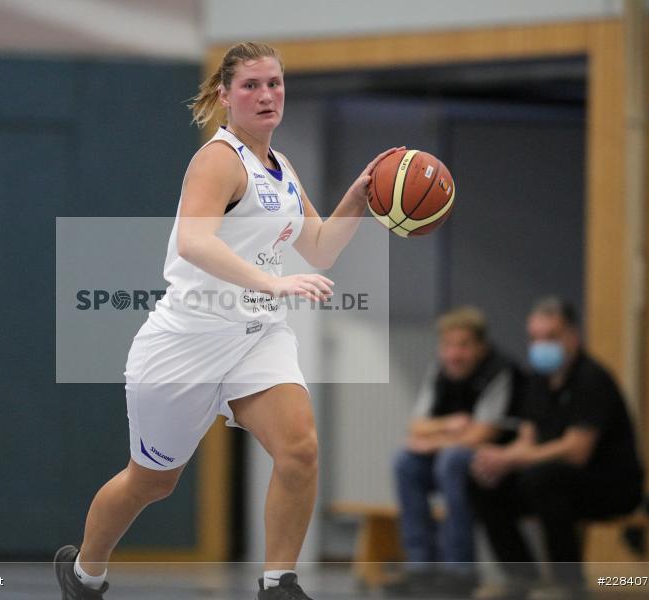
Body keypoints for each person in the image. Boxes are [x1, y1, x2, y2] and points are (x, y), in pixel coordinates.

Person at [54, 41, 401, 600]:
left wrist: (359, 197)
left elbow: (319, 247)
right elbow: (193, 242)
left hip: (257, 336)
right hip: (185, 341)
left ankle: (277, 583)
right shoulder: (218, 160)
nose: (266, 95)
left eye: (275, 84)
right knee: (153, 481)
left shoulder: (282, 167)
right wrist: (270, 281)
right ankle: (84, 572)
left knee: (300, 449)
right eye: (251, 86)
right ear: (225, 95)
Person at [468, 297, 643, 600]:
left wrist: (514, 459)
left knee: (543, 479)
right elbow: (527, 437)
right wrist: (500, 459)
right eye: (535, 338)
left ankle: (568, 583)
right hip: (552, 480)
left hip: (611, 483)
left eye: (551, 337)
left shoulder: (592, 378)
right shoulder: (538, 381)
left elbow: (576, 451)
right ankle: (521, 578)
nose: (541, 345)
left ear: (572, 335)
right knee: (482, 479)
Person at [387, 306, 522, 598]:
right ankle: (420, 567)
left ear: (480, 347)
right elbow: (417, 425)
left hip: (497, 469)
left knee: (451, 461)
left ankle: (460, 570)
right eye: (448, 345)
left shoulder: (501, 370)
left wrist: (436, 439)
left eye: (463, 345)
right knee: (405, 463)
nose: (454, 354)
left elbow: (483, 434)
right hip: (447, 460)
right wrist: (451, 424)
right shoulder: (439, 370)